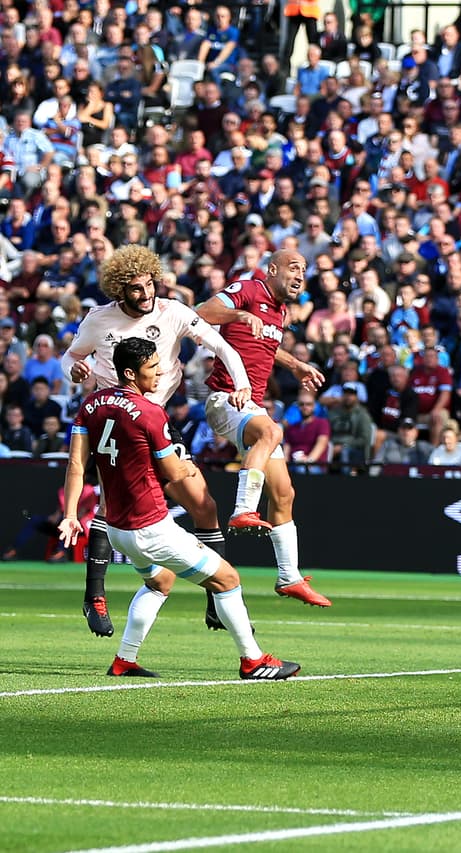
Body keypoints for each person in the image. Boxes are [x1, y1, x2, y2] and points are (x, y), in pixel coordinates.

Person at [58, 337, 299, 680]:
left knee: (160, 582)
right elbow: (172, 472)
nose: (160, 374)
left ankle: (124, 660)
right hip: (150, 528)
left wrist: (70, 515)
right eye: (152, 369)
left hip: (116, 529)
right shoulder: (150, 413)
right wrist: (187, 468)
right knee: (228, 579)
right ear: (129, 373)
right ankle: (254, 661)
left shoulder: (92, 405)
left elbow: (76, 467)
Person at [61, 245, 252, 637]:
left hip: (157, 417)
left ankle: (217, 598)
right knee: (109, 504)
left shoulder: (174, 312)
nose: (146, 293)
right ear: (119, 291)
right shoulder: (99, 320)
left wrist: (243, 383)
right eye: (136, 288)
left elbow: (221, 346)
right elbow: (71, 357)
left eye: (149, 284)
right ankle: (95, 594)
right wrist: (75, 370)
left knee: (205, 505)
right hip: (117, 418)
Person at [196, 249, 332, 609]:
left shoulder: (280, 310)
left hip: (250, 404)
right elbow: (201, 314)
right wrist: (239, 312)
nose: (300, 274)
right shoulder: (248, 289)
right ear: (272, 270)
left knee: (285, 494)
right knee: (272, 431)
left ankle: (289, 576)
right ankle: (242, 509)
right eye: (293, 267)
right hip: (225, 398)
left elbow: (267, 348)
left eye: (304, 269)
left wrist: (296, 365)